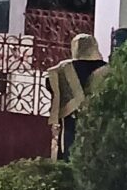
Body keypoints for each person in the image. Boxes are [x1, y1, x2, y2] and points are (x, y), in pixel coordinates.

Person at [45, 30, 106, 160]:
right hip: (99, 120)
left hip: (72, 121)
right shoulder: (108, 69)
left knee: (69, 153)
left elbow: (50, 84)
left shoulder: (65, 68)